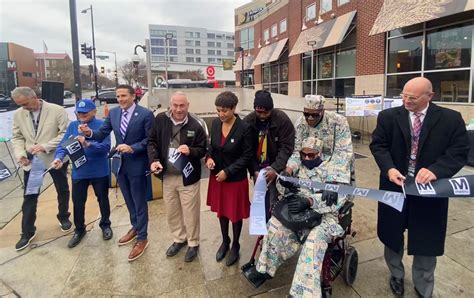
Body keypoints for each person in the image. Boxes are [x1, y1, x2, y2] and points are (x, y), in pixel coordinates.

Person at [369, 77, 469, 297]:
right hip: (394, 186)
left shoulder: (451, 119)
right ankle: (396, 273)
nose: (406, 101)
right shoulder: (388, 117)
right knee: (392, 234)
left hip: (430, 191)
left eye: (412, 98)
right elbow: (379, 145)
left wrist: (437, 169)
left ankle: (423, 285)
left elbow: (459, 151)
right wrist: (389, 169)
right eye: (404, 95)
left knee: (426, 239)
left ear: (429, 96)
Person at [244, 137, 347, 297]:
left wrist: (310, 200)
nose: (306, 158)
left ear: (319, 154)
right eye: (303, 154)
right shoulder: (299, 167)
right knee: (275, 225)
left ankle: (302, 293)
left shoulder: (332, 169)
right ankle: (264, 269)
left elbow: (341, 198)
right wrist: (285, 183)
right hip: (299, 213)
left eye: (311, 155)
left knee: (313, 243)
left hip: (323, 216)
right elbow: (286, 190)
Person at [79, 84, 153, 262]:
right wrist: (89, 132)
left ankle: (142, 237)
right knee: (129, 201)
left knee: (139, 202)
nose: (120, 99)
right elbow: (101, 133)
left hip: (137, 164)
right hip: (120, 165)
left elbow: (150, 140)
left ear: (133, 96)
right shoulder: (113, 113)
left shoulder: (145, 114)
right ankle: (135, 227)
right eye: (118, 96)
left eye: (123, 96)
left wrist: (132, 147)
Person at [147, 91, 207, 262]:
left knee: (190, 213)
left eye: (182, 105)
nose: (179, 109)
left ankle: (193, 242)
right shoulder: (160, 120)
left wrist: (191, 151)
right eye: (175, 105)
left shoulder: (196, 125)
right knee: (172, 211)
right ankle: (179, 239)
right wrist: (154, 161)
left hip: (187, 177)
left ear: (188, 106)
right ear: (170, 105)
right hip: (167, 176)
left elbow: (203, 149)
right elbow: (152, 142)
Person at [10, 86, 72, 251]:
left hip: (55, 157)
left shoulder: (56, 110)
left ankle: (64, 217)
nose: (24, 107)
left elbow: (65, 134)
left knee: (62, 189)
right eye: (20, 104)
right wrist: (20, 154)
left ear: (34, 97)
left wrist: (45, 146)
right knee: (30, 195)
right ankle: (27, 231)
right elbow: (17, 137)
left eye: (25, 103)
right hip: (33, 161)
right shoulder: (18, 114)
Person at [52, 99, 113, 248]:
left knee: (103, 199)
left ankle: (105, 224)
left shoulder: (102, 125)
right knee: (78, 201)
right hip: (80, 171)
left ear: (93, 112)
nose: (82, 115)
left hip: (99, 170)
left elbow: (105, 148)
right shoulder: (73, 126)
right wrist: (59, 158)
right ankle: (79, 229)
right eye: (79, 112)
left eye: (85, 112)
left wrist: (87, 143)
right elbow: (63, 146)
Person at [206, 91, 254, 266]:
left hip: (234, 179)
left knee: (234, 214)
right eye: (218, 110)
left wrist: (229, 171)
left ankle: (235, 245)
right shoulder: (215, 124)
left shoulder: (245, 128)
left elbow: (247, 156)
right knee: (222, 211)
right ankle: (225, 241)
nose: (221, 114)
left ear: (234, 108)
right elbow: (211, 146)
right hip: (218, 177)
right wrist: (209, 158)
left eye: (224, 111)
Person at [243, 90, 295, 220]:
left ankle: (276, 227)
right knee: (262, 201)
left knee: (276, 200)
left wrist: (275, 168)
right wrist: (254, 170)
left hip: (276, 167)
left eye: (266, 112)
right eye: (258, 111)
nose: (262, 115)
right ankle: (263, 230)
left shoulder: (282, 119)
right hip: (258, 169)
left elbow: (286, 147)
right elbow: (247, 150)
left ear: (271, 109)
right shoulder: (248, 122)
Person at [286, 95, 353, 185]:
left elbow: (343, 153)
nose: (310, 118)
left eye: (314, 115)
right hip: (307, 169)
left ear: (322, 112)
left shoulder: (338, 122)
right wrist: (289, 170)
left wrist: (332, 181)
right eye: (306, 114)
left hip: (334, 170)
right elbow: (297, 152)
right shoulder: (300, 123)